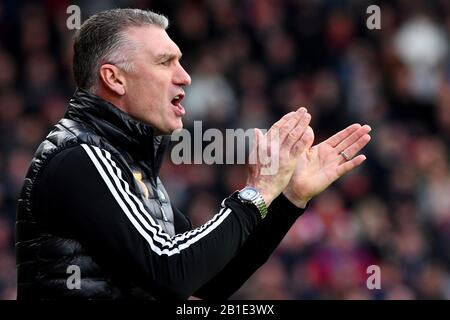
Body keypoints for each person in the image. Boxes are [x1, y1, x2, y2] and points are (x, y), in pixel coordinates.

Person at [15, 8, 371, 300]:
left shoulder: (127, 165)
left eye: (181, 62)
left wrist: (288, 200)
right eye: (165, 62)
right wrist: (257, 193)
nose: (184, 77)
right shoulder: (79, 158)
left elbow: (208, 281)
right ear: (115, 78)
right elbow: (171, 272)